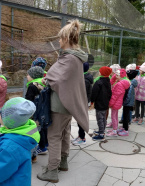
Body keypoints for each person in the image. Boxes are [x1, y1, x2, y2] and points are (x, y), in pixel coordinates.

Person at [37, 19, 89, 183]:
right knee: (65, 133)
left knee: (53, 136)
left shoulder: (69, 58)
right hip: (66, 104)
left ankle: (52, 171)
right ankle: (63, 162)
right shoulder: (76, 58)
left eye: (60, 38)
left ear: (66, 39)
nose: (58, 41)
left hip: (59, 104)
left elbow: (57, 80)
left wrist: (46, 81)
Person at [25, 66, 47, 161]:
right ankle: (42, 146)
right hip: (43, 112)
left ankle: (33, 154)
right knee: (41, 129)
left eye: (28, 74)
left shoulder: (32, 86)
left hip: (34, 113)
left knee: (32, 132)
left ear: (33, 76)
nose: (27, 76)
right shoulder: (44, 83)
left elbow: (28, 101)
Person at [72, 62, 93, 145]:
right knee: (79, 120)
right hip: (82, 102)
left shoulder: (84, 80)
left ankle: (82, 138)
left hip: (82, 102)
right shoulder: (83, 78)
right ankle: (80, 136)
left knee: (81, 120)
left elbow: (82, 93)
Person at [90, 66, 112, 141]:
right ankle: (102, 131)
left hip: (99, 104)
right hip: (105, 103)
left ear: (102, 73)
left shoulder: (98, 82)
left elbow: (94, 93)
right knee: (103, 118)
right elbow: (110, 93)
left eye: (100, 71)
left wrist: (92, 101)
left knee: (100, 119)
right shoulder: (108, 82)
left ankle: (101, 134)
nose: (99, 72)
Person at [107, 69, 130, 137]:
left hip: (115, 103)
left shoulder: (119, 84)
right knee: (115, 116)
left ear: (121, 76)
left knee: (113, 117)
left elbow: (115, 96)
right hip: (118, 103)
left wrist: (110, 103)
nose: (116, 76)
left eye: (117, 75)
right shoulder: (123, 83)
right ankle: (115, 129)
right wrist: (115, 76)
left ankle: (114, 131)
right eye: (116, 75)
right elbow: (111, 82)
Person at [118, 69, 139, 136]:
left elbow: (129, 95)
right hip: (128, 102)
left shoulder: (130, 84)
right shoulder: (130, 82)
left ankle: (126, 130)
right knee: (125, 115)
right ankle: (124, 127)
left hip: (128, 103)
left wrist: (125, 101)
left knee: (126, 116)